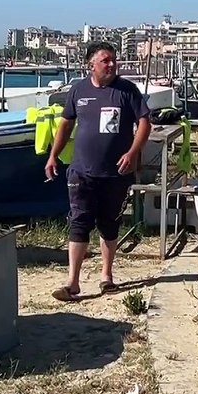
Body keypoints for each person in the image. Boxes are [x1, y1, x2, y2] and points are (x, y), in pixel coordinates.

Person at [45, 41, 152, 301]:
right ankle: (72, 283)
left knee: (109, 224)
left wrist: (132, 152)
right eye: (106, 60)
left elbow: (145, 123)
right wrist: (53, 156)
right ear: (91, 64)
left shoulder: (127, 91)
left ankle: (106, 276)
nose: (112, 64)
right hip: (81, 170)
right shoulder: (78, 90)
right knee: (79, 222)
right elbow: (66, 125)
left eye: (114, 59)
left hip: (115, 172)